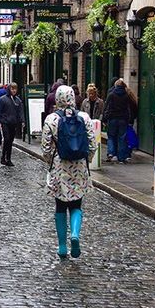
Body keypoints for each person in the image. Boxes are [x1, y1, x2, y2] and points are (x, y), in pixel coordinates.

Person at [42, 85, 97, 259]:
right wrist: (86, 159)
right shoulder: (84, 117)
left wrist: (51, 160)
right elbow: (92, 144)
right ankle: (74, 234)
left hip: (60, 167)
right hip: (79, 166)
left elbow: (46, 148)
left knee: (60, 206)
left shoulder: (51, 119)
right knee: (76, 205)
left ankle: (62, 246)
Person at [103, 79, 133, 163]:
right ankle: (122, 157)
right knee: (122, 138)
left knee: (111, 136)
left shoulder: (111, 95)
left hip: (112, 118)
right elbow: (129, 108)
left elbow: (106, 107)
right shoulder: (127, 95)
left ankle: (111, 153)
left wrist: (104, 119)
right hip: (123, 119)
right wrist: (129, 119)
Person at [0, 82, 24, 166]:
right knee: (6, 139)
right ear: (9, 89)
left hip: (13, 123)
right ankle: (4, 157)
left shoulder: (18, 100)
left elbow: (20, 111)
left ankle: (7, 158)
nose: (14, 91)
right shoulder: (2, 99)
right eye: (12, 89)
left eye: (15, 89)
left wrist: (23, 121)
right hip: (5, 122)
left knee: (10, 141)